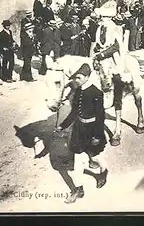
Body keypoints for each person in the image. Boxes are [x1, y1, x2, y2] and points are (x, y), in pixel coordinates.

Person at [54, 63, 108, 204]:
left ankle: (103, 172)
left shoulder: (96, 93)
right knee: (78, 160)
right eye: (75, 78)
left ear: (87, 77)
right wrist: (62, 126)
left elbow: (100, 116)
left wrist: (97, 135)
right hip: (79, 129)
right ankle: (78, 190)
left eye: (78, 77)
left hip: (92, 131)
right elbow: (74, 113)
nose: (76, 80)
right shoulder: (77, 91)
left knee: (95, 158)